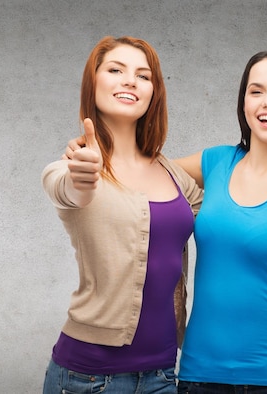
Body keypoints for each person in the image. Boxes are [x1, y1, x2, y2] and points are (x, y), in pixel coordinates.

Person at [63, 49, 267, 393]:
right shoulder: (216, 162)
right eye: (256, 91)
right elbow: (140, 171)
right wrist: (90, 157)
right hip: (197, 376)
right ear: (243, 104)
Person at [40, 36, 203, 394]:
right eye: (115, 70)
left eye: (143, 76)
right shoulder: (72, 167)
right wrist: (80, 176)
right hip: (88, 379)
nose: (130, 80)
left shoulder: (173, 174)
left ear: (154, 92)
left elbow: (223, 195)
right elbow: (67, 188)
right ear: (93, 83)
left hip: (163, 375)